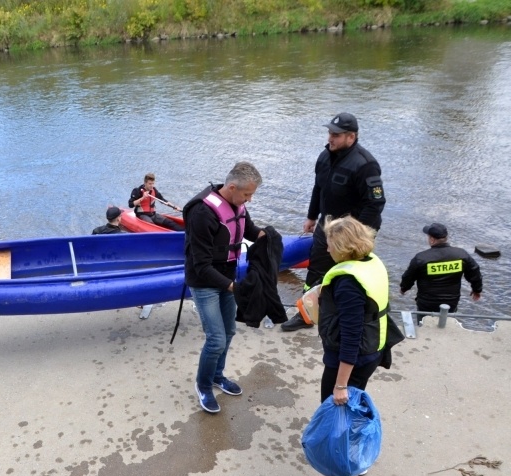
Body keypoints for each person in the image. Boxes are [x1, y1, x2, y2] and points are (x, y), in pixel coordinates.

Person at [308, 215, 389, 476]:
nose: (327, 248)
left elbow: (351, 336)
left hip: (351, 357)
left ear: (342, 247)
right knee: (354, 407)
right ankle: (358, 457)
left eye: (330, 242)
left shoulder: (347, 282)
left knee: (338, 415)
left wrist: (340, 385)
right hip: (373, 349)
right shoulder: (371, 262)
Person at [282, 112, 385, 332]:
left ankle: (352, 316)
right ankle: (306, 315)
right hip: (327, 224)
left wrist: (355, 235)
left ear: (351, 137)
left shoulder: (365, 165)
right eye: (330, 133)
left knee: (351, 274)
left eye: (336, 135)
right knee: (316, 269)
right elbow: (318, 188)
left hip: (355, 230)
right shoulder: (324, 156)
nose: (331, 138)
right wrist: (311, 216)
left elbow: (375, 204)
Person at [184, 161, 265, 413]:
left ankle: (217, 376)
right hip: (204, 282)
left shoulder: (237, 204)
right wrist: (232, 287)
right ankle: (203, 385)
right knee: (216, 339)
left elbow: (248, 229)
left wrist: (268, 237)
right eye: (247, 194)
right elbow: (201, 265)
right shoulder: (202, 213)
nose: (249, 199)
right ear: (231, 187)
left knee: (229, 332)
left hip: (228, 278)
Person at [400, 222, 482, 316]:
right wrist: (477, 290)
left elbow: (408, 277)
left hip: (426, 303)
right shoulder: (461, 255)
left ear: (432, 240)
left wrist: (404, 288)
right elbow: (475, 272)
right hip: (451, 303)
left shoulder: (421, 258)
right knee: (448, 320)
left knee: (424, 322)